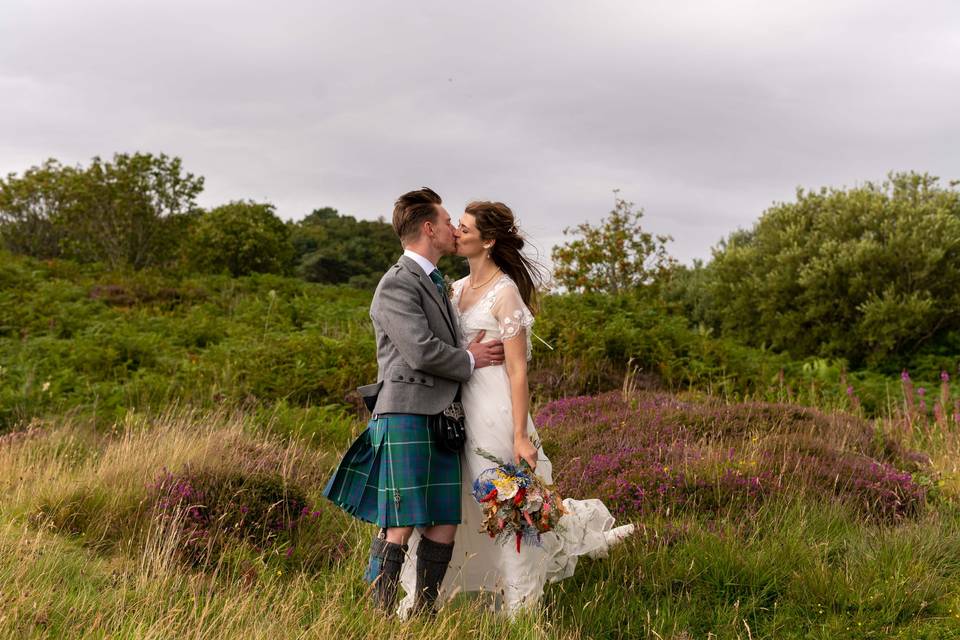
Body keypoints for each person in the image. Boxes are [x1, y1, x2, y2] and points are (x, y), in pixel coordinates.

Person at [398, 201, 634, 617]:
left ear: (487, 241)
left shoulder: (505, 293)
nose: (456, 232)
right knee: (456, 505)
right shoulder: (452, 289)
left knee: (507, 506)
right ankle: (435, 596)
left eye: (465, 228)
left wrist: (520, 434)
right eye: (457, 226)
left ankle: (520, 607)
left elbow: (518, 373)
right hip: (455, 411)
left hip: (493, 411)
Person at [323, 187, 505, 616]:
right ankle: (380, 613)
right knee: (400, 520)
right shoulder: (396, 283)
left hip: (442, 415)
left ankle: (424, 614)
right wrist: (469, 357)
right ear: (428, 228)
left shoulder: (435, 281)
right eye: (446, 222)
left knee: (443, 520)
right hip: (405, 411)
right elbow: (420, 349)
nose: (452, 229)